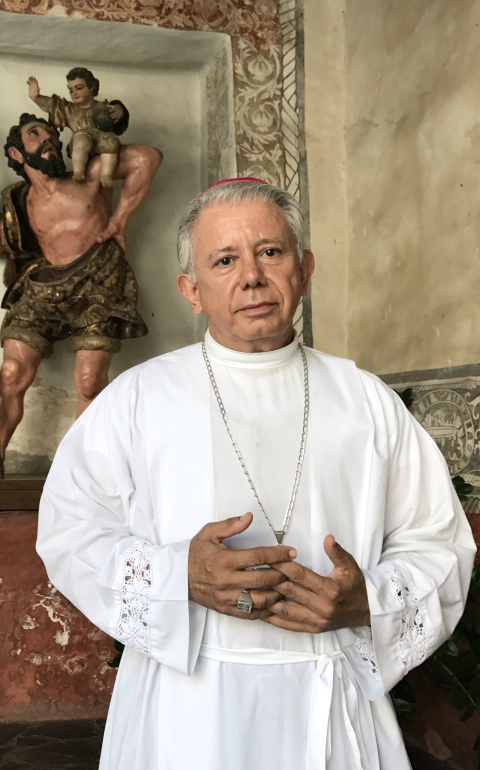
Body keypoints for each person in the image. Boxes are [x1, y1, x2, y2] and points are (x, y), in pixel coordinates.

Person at [37, 178, 475, 770]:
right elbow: (70, 532)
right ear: (191, 290)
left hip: (329, 697)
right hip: (185, 707)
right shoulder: (139, 398)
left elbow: (438, 542)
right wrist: (178, 575)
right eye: (224, 260)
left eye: (270, 251)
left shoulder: (365, 401)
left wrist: (366, 602)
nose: (251, 275)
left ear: (305, 267)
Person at [0, 113, 162, 476]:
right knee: (10, 373)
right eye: (36, 133)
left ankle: (74, 475)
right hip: (43, 286)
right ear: (17, 152)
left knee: (89, 382)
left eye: (52, 132)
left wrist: (120, 219)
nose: (51, 138)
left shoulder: (91, 173)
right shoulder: (15, 200)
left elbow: (147, 158)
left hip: (99, 282)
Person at [27, 68, 129, 188]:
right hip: (82, 135)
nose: (74, 93)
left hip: (102, 135)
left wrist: (120, 111)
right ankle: (79, 172)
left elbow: (118, 113)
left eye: (79, 88)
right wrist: (36, 98)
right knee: (81, 142)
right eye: (71, 90)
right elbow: (51, 105)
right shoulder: (69, 109)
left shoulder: (103, 106)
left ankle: (106, 174)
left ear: (92, 87)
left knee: (110, 140)